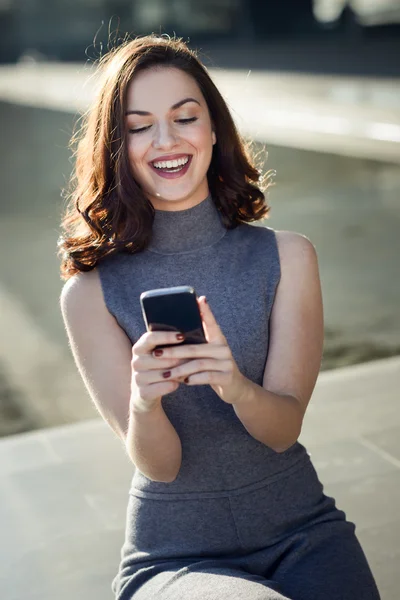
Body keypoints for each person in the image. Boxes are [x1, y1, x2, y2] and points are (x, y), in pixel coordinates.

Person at [58, 34, 380, 600]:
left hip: (303, 529)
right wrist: (144, 400)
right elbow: (160, 467)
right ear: (117, 145)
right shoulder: (89, 295)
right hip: (175, 556)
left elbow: (282, 431)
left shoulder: (288, 256)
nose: (166, 140)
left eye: (185, 117)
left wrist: (234, 386)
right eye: (139, 126)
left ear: (213, 129)